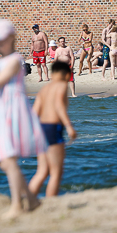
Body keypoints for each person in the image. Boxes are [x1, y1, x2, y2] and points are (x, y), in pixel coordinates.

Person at [0, 20, 47, 219]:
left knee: (8, 159)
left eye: (0, 40)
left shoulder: (15, 60)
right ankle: (30, 198)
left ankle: (17, 205)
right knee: (6, 161)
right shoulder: (3, 61)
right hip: (4, 111)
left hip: (15, 111)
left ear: (11, 38)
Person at [28, 61, 77, 198]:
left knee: (42, 171)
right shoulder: (62, 85)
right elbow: (59, 106)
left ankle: (28, 201)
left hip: (41, 128)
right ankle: (51, 203)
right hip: (53, 128)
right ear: (67, 75)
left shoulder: (44, 89)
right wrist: (69, 126)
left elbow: (34, 112)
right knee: (56, 172)